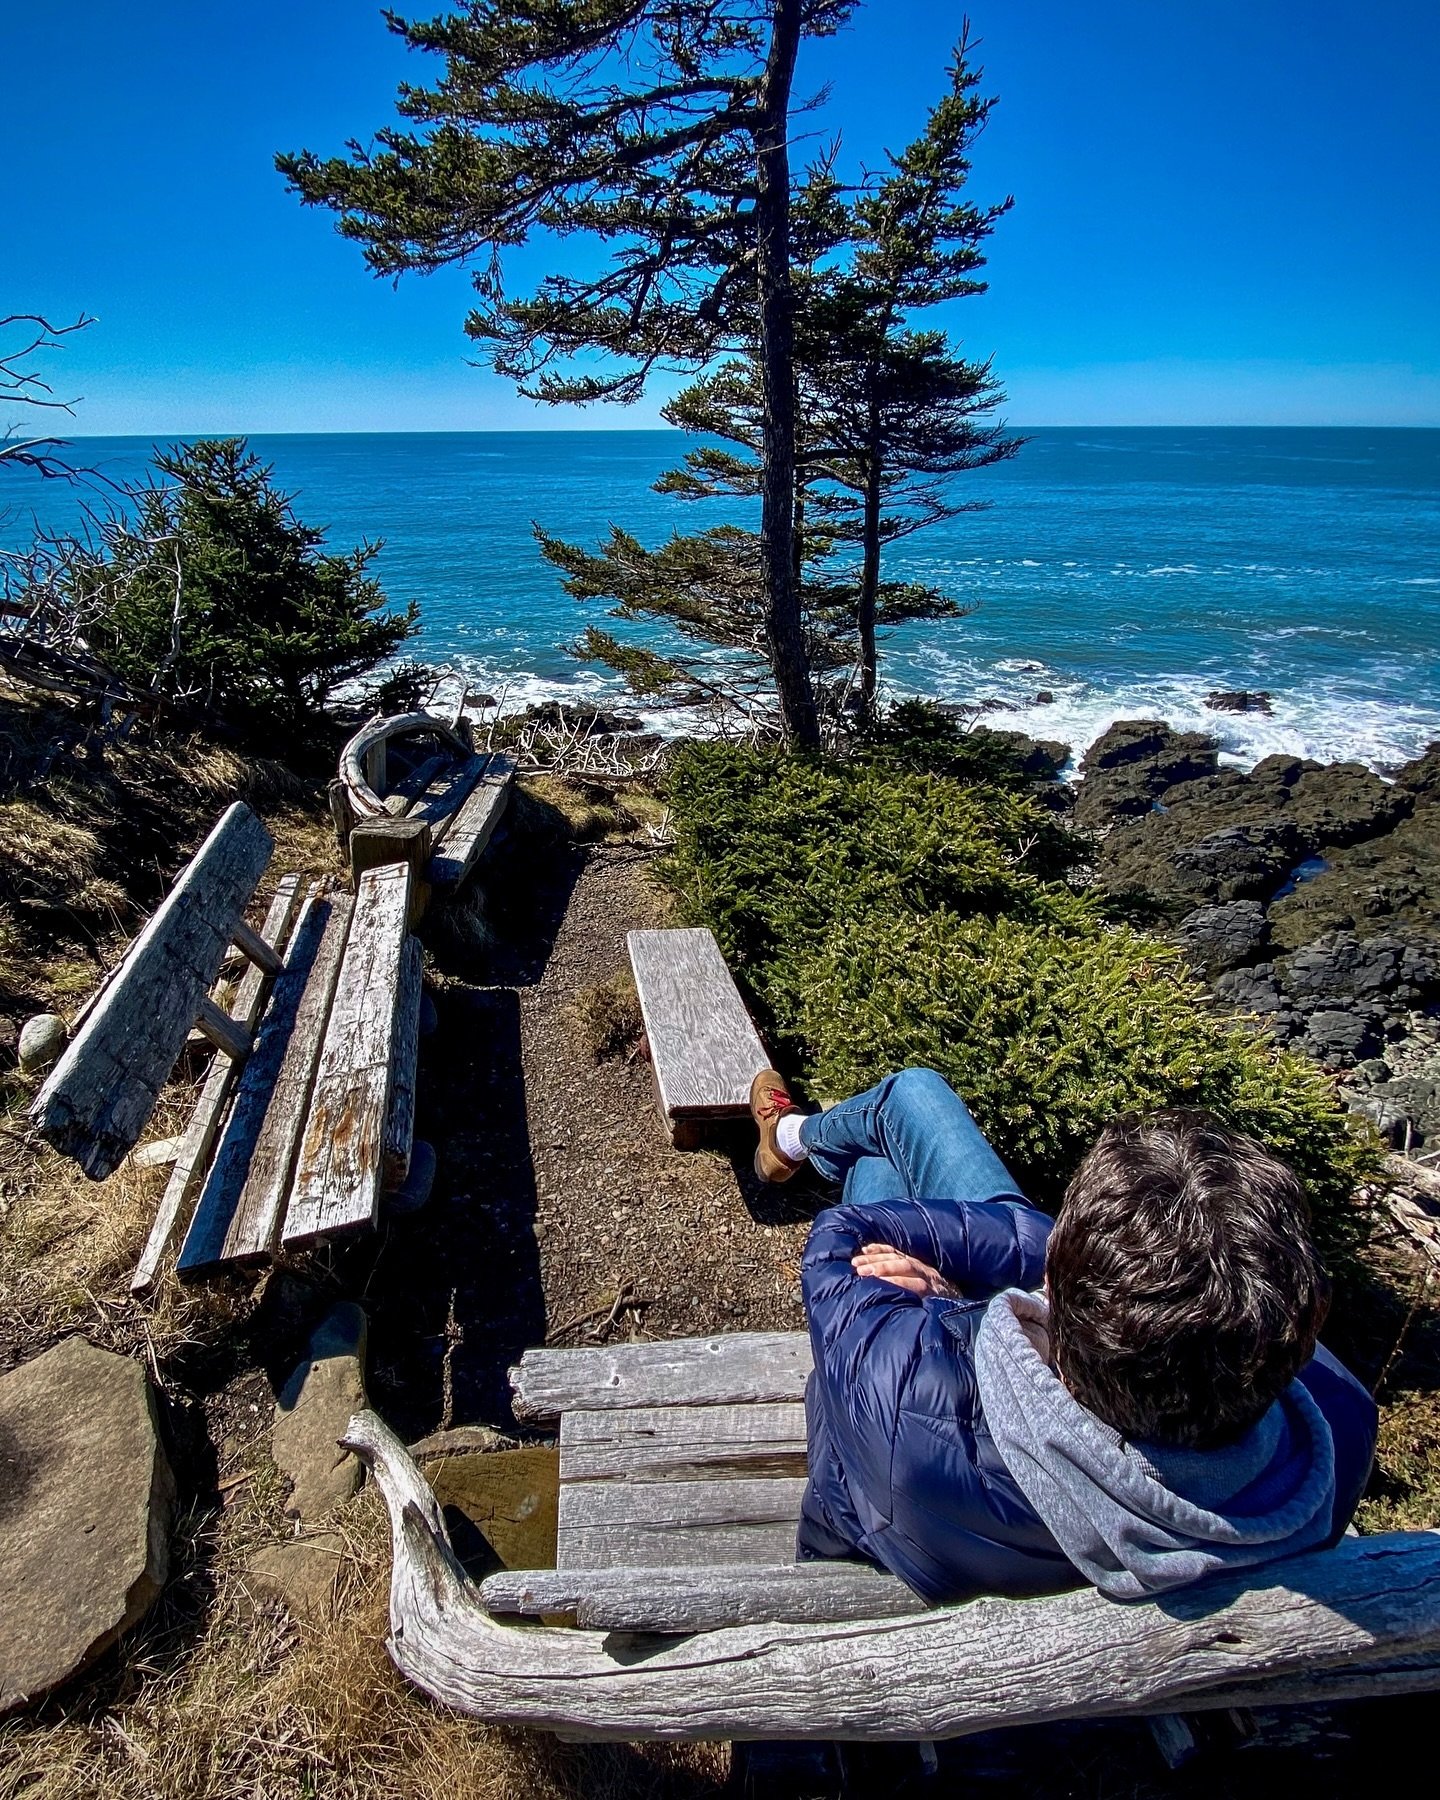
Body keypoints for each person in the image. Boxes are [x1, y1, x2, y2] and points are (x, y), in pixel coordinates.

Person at [749, 1065, 1378, 1605]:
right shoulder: (1341, 1417)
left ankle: (791, 1136)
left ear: (1054, 1293)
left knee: (899, 1117)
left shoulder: (910, 1388)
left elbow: (842, 1240)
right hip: (1015, 1509)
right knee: (891, 1133)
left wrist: (951, 1304)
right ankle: (801, 1139)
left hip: (877, 1510)